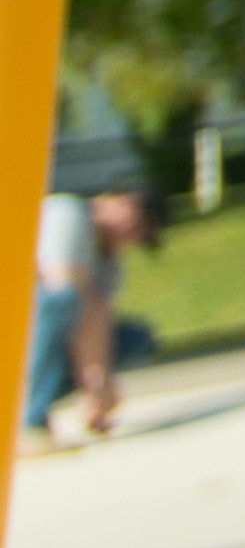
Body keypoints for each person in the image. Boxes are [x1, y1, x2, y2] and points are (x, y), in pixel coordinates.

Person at [22, 184, 155, 445]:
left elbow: (96, 322)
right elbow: (64, 286)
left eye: (141, 231)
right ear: (111, 199)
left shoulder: (109, 263)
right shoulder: (68, 213)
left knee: (133, 338)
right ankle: (27, 422)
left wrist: (96, 388)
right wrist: (96, 380)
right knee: (60, 300)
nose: (131, 231)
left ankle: (22, 399)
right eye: (133, 217)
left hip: (37, 332)